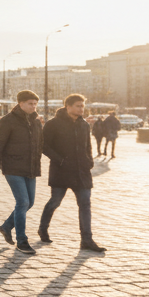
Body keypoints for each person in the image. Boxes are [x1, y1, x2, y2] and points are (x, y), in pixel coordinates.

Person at [38, 94, 104, 252]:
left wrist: (89, 160)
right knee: (55, 201)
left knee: (85, 204)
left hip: (82, 172)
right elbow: (44, 146)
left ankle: (87, 240)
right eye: (78, 106)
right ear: (68, 107)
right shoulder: (53, 124)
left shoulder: (84, 125)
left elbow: (88, 145)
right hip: (62, 171)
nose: (81, 109)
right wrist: (60, 160)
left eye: (82, 106)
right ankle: (43, 228)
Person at [0, 90, 43, 254]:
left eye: (35, 104)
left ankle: (6, 226)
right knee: (22, 202)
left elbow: (40, 143)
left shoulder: (36, 121)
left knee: (30, 202)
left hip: (31, 167)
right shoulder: (7, 121)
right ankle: (22, 241)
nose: (33, 107)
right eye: (30, 104)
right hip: (13, 167)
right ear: (20, 104)